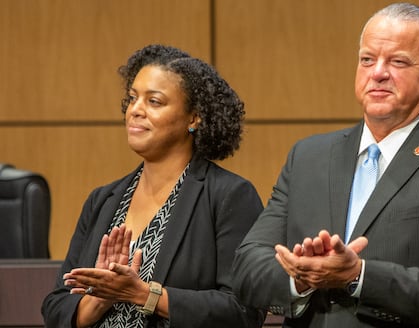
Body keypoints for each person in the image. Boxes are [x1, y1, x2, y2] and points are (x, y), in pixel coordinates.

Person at [232, 2, 419, 327]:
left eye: (398, 61)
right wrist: (301, 278)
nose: (378, 72)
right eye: (367, 59)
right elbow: (246, 268)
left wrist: (358, 276)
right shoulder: (308, 157)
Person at [42, 44, 264, 328]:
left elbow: (242, 311)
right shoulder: (103, 199)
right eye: (132, 98)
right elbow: (55, 305)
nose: (135, 110)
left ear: (194, 118)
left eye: (154, 102)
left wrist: (144, 295)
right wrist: (100, 298)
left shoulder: (228, 195)